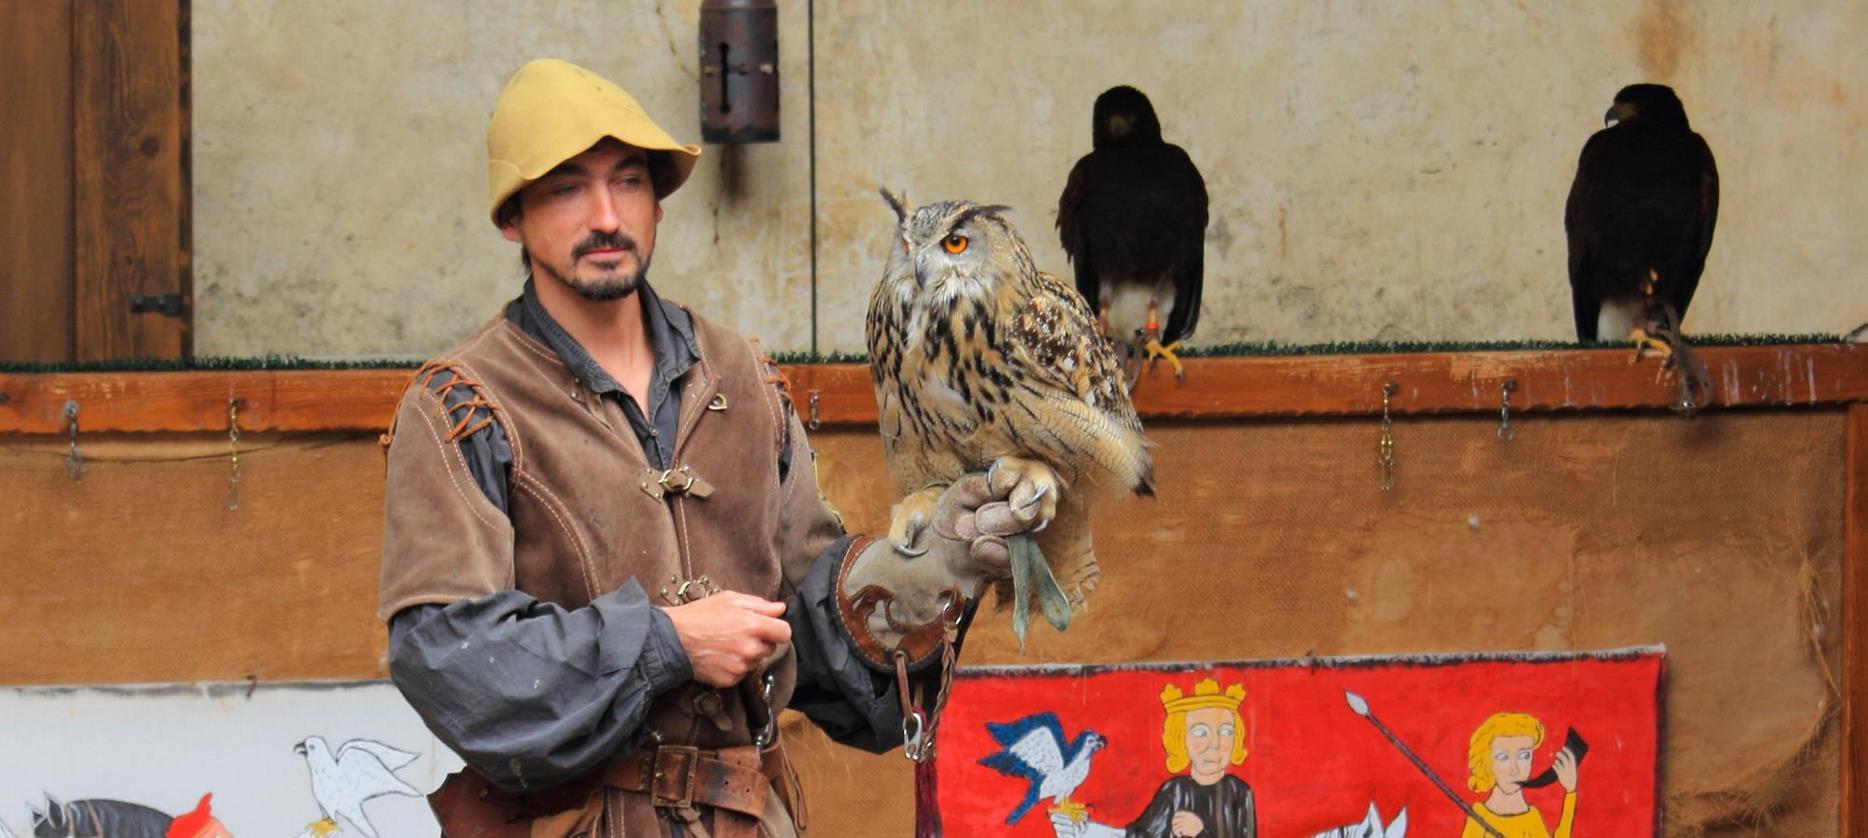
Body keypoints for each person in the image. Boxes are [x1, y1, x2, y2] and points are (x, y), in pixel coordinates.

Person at [377, 58, 1049, 837]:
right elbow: (449, 657)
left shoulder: (741, 375)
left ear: (657, 202)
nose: (605, 215)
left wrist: (922, 574)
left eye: (628, 182)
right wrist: (665, 644)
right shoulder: (463, 406)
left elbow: (810, 623)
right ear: (511, 217)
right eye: (566, 188)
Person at [1053, 677, 1258, 837]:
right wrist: (1087, 832)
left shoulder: (1238, 792)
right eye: (1200, 732)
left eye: (1226, 732)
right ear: (1180, 738)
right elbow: (1140, 836)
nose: (1215, 744)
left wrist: (1200, 833)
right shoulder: (1175, 790)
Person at [1460, 712, 1578, 838]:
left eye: (1524, 756)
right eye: (1503, 757)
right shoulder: (1479, 815)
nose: (1514, 769)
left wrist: (1570, 793)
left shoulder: (1532, 817)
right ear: (1487, 761)